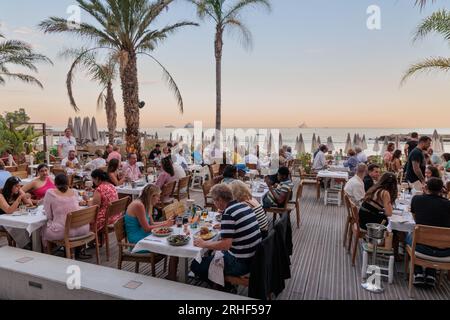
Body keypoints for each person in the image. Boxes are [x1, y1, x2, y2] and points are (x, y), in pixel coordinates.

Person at [191, 184, 262, 281]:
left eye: (214, 200)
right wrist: (225, 227)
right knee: (215, 253)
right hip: (255, 257)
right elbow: (240, 227)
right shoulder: (243, 205)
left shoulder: (229, 213)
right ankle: (220, 281)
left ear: (219, 199)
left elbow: (225, 245)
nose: (214, 203)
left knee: (195, 265)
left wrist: (204, 244)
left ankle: (221, 286)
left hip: (241, 263)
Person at [124, 185, 177, 279]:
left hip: (144, 234)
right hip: (138, 240)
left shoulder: (146, 204)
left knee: (172, 239)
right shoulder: (138, 205)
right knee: (170, 243)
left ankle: (172, 274)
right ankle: (172, 275)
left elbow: (152, 223)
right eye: (158, 196)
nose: (159, 199)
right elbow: (147, 228)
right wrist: (165, 224)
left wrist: (166, 222)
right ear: (152, 196)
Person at [408, 178, 450, 287]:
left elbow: (415, 219)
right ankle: (431, 274)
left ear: (426, 187)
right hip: (444, 251)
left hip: (420, 249)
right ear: (441, 189)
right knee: (435, 239)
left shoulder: (417, 199)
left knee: (408, 235)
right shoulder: (448, 204)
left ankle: (418, 273)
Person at [41, 174, 91, 258]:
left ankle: (48, 256)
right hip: (83, 228)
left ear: (55, 183)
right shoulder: (74, 192)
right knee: (63, 224)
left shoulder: (50, 193)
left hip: (64, 232)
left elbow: (49, 215)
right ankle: (74, 252)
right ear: (68, 183)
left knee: (43, 228)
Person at [89, 169, 119, 234]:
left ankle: (95, 241)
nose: (93, 182)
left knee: (84, 221)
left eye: (93, 179)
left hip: (105, 220)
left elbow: (95, 208)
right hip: (115, 216)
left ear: (97, 178)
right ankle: (99, 241)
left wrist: (87, 201)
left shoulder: (99, 189)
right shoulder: (111, 185)